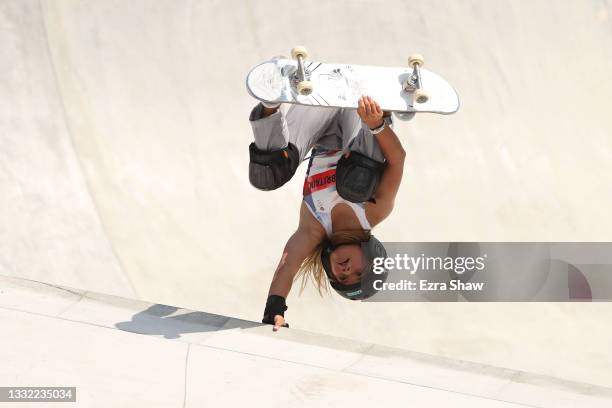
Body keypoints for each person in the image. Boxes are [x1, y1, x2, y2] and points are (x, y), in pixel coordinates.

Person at [249, 94, 406, 331]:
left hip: (320, 114)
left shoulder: (313, 228)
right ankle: (379, 107)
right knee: (357, 184)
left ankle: (269, 104)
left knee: (269, 173)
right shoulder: (374, 212)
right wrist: (377, 125)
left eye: (343, 277)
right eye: (357, 272)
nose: (346, 270)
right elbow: (397, 159)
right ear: (371, 256)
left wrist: (274, 310)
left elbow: (287, 265)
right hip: (361, 119)